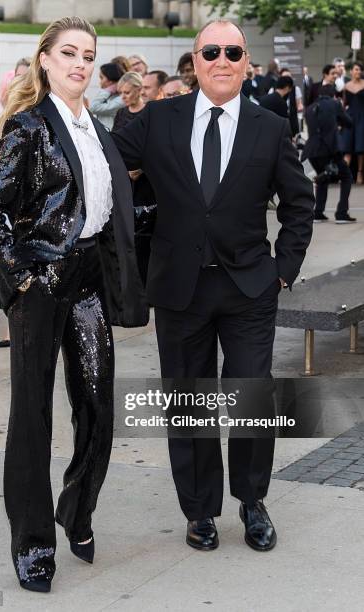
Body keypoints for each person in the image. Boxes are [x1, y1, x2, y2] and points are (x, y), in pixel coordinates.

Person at [112, 19, 314, 553]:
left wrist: (282, 268)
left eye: (233, 51)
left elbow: (299, 203)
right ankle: (200, 510)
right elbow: (105, 161)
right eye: (211, 51)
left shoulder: (269, 127)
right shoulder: (157, 119)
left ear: (246, 61)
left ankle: (252, 501)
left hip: (249, 288)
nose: (222, 60)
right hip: (179, 289)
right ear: (195, 61)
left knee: (251, 396)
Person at [0, 16, 148, 593]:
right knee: (32, 417)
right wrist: (23, 274)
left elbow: (104, 206)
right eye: (68, 52)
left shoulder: (96, 130)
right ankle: (32, 541)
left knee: (98, 407)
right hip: (41, 282)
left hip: (89, 279)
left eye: (88, 54)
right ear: (45, 60)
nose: (79, 63)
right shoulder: (27, 127)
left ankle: (76, 512)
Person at [0, 59, 31, 349]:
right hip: (4, 199)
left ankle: (23, 327)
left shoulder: (37, 121)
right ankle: (13, 327)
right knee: (3, 264)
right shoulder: (3, 119)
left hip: (28, 206)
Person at [113, 72, 156, 285]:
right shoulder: (121, 114)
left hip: (147, 183)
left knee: (146, 235)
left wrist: (141, 167)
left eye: (127, 92)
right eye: (121, 92)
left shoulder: (151, 111)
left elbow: (157, 145)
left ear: (139, 90)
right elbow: (115, 145)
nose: (124, 96)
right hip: (125, 181)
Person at [302, 85, 355, 223]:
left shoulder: (309, 108)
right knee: (347, 176)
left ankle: (318, 212)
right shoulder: (334, 104)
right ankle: (342, 213)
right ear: (333, 95)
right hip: (329, 149)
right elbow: (348, 122)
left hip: (311, 152)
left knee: (322, 180)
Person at [340, 62, 364, 184]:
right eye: (356, 69)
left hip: (362, 116)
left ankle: (360, 173)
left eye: (360, 70)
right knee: (347, 146)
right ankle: (345, 175)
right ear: (351, 72)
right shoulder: (346, 86)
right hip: (350, 117)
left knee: (360, 147)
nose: (358, 72)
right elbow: (344, 104)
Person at [89, 62, 125, 129]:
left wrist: (107, 90)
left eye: (102, 78)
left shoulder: (122, 99)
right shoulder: (109, 95)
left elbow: (93, 107)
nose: (100, 82)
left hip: (111, 136)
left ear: (110, 80)